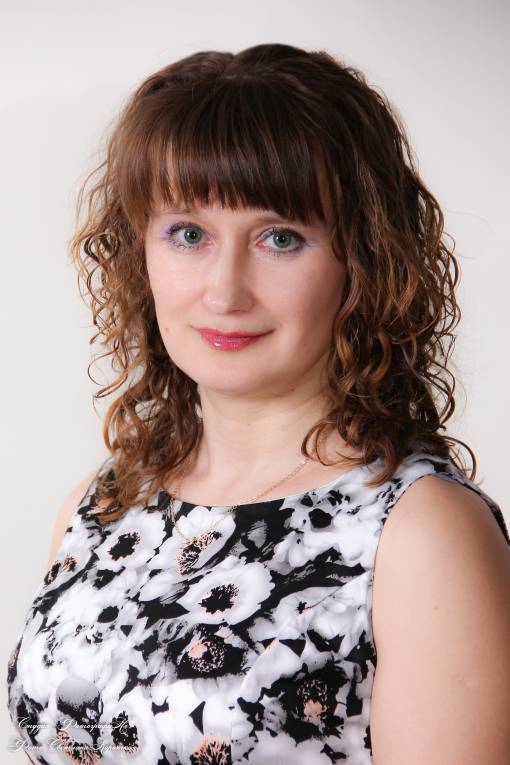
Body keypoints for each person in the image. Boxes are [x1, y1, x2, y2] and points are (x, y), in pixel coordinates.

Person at [6, 42, 510, 765]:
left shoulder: (421, 534)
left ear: (363, 262)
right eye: (188, 234)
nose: (223, 291)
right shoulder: (104, 504)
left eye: (280, 238)